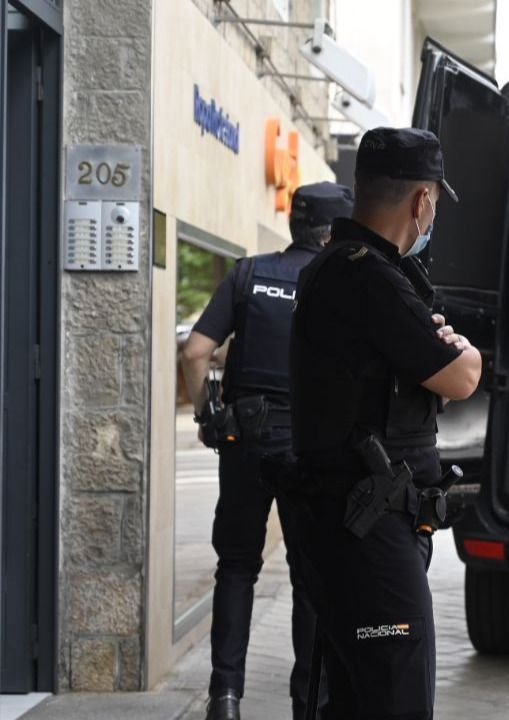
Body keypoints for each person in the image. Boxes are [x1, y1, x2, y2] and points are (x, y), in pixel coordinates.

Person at [284, 127, 481, 718]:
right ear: (421, 201)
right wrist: (462, 349)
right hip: (368, 533)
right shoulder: (369, 276)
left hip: (354, 524)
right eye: (435, 203)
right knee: (397, 696)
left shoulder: (347, 269)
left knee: (356, 697)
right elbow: (462, 377)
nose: (433, 216)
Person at [180, 181, 353, 720]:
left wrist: (208, 417)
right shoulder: (343, 284)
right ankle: (308, 704)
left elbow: (196, 352)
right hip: (310, 449)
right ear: (333, 234)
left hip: (246, 442)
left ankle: (225, 698)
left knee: (236, 567)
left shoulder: (249, 274)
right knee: (310, 578)